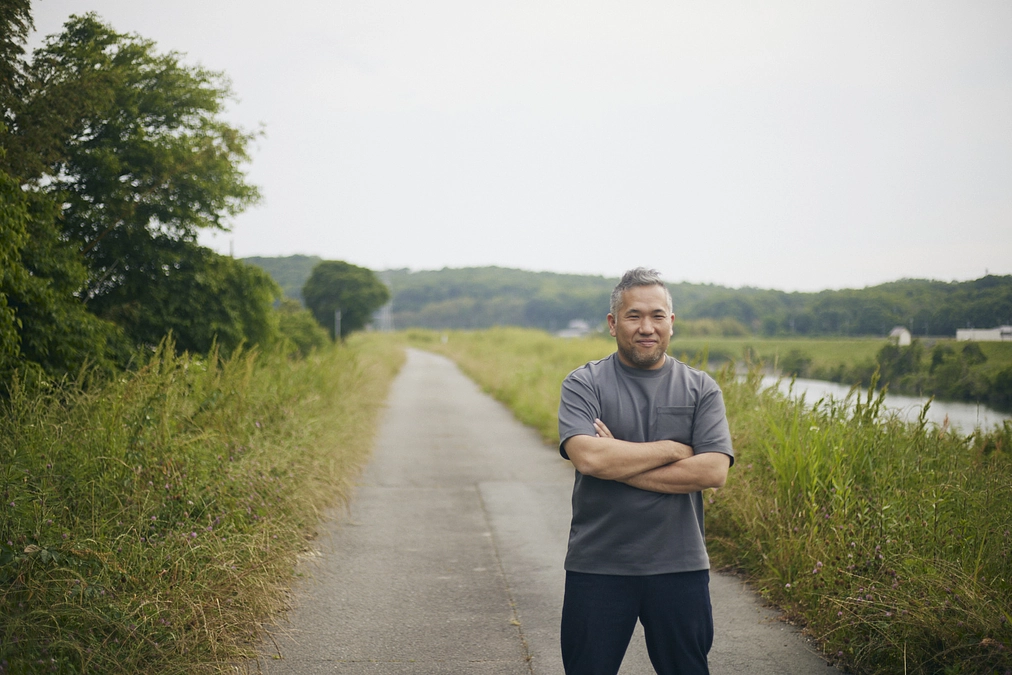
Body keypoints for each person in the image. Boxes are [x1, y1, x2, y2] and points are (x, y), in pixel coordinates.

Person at [557, 267, 734, 675]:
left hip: (680, 566)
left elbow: (712, 471)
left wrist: (617, 460)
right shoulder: (584, 383)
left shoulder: (700, 388)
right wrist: (674, 449)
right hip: (598, 565)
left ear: (671, 322)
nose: (646, 327)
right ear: (612, 323)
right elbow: (589, 459)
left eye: (657, 316)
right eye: (634, 316)